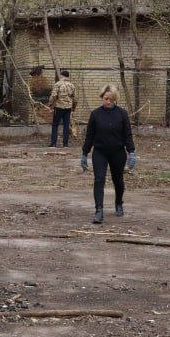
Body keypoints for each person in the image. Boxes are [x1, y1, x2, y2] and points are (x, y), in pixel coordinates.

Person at [80, 84, 136, 224]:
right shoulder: (95, 114)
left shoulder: (122, 114)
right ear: (102, 98)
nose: (108, 102)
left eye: (111, 99)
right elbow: (89, 136)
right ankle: (99, 210)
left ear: (115, 99)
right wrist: (84, 153)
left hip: (117, 152)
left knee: (118, 180)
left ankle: (118, 203)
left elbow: (127, 135)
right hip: (100, 152)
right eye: (106, 99)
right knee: (99, 179)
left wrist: (131, 152)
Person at [48, 69, 76, 147]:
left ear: (61, 75)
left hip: (59, 107)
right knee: (66, 125)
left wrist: (50, 105)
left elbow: (53, 96)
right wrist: (73, 108)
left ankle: (53, 143)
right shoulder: (72, 85)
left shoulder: (58, 84)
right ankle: (65, 144)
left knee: (55, 125)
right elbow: (75, 98)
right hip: (68, 108)